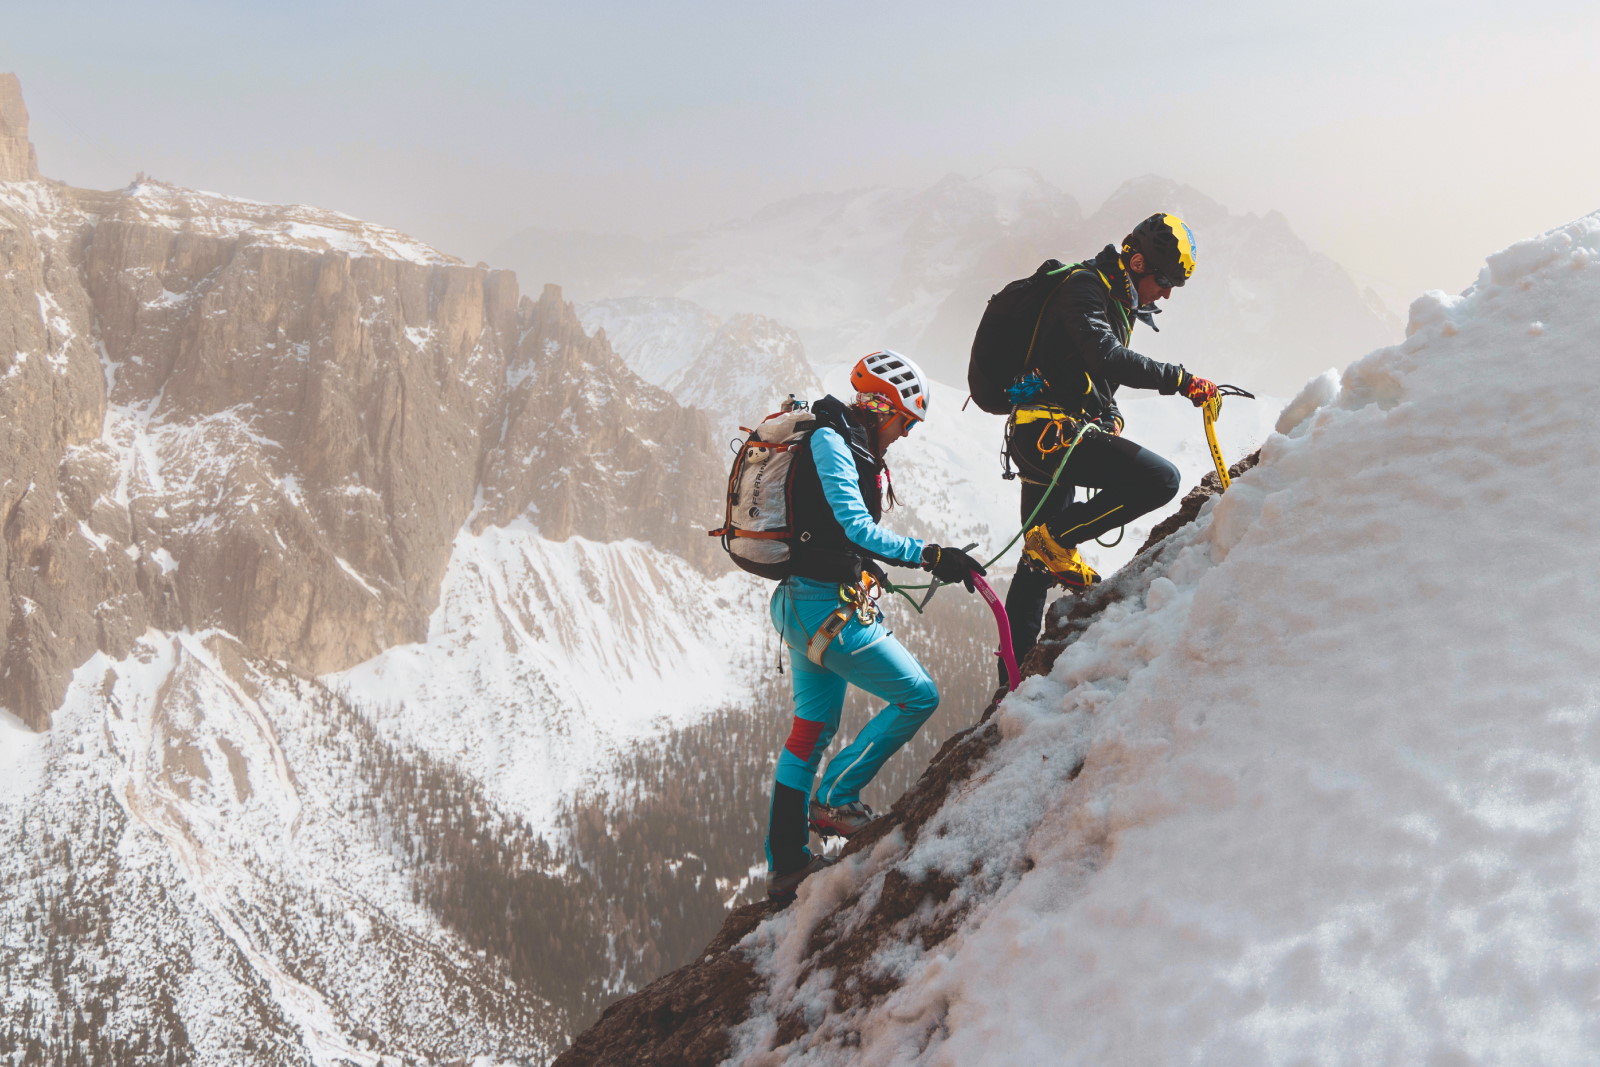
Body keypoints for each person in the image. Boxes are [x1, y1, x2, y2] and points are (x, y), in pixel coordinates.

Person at [765, 350, 986, 903]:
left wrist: (862, 566)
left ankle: (787, 865)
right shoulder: (831, 441)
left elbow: (832, 532)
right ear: (883, 408)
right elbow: (855, 525)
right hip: (824, 610)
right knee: (918, 696)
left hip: (803, 604)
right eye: (905, 421)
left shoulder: (837, 437)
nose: (905, 434)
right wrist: (932, 554)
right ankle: (836, 800)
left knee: (809, 734)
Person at [1002, 212, 1219, 672]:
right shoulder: (1084, 287)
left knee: (1035, 564)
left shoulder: (1109, 299)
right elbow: (1106, 356)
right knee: (1160, 480)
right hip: (1050, 436)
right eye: (1164, 280)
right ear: (1137, 262)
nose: (1166, 293)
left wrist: (1111, 414)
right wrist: (1178, 379)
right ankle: (1058, 538)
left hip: (1042, 436)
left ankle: (1013, 682)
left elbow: (1089, 374)